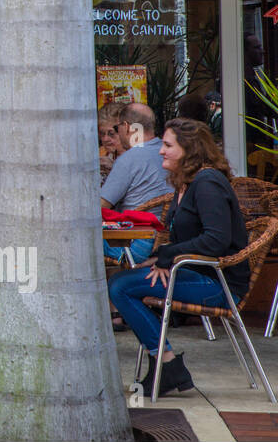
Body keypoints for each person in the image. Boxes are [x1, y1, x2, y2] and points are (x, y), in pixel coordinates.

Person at [108, 118, 251, 396]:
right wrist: (159, 257)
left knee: (121, 286)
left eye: (167, 145)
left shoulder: (208, 183)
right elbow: (184, 238)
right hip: (195, 273)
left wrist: (168, 255)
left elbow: (216, 239)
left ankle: (167, 364)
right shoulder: (187, 182)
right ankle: (165, 364)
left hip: (218, 284)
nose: (161, 151)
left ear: (190, 149)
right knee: (126, 283)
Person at [101, 103, 169, 263]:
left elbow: (100, 207)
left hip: (136, 244)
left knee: (77, 238)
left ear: (126, 127)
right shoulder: (168, 152)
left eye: (116, 129)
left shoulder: (129, 159)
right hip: (168, 242)